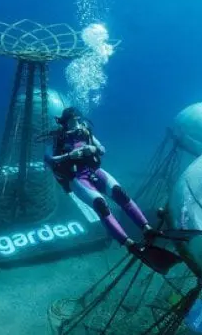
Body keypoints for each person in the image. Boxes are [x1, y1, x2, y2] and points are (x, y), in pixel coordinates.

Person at [43, 107, 179, 274]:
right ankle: (129, 244)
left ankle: (147, 228)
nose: (76, 124)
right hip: (77, 178)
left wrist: (93, 149)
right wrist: (70, 156)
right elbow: (48, 159)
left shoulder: (85, 131)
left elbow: (101, 148)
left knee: (121, 194)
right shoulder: (57, 137)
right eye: (72, 121)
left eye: (77, 120)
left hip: (94, 172)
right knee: (101, 205)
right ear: (64, 122)